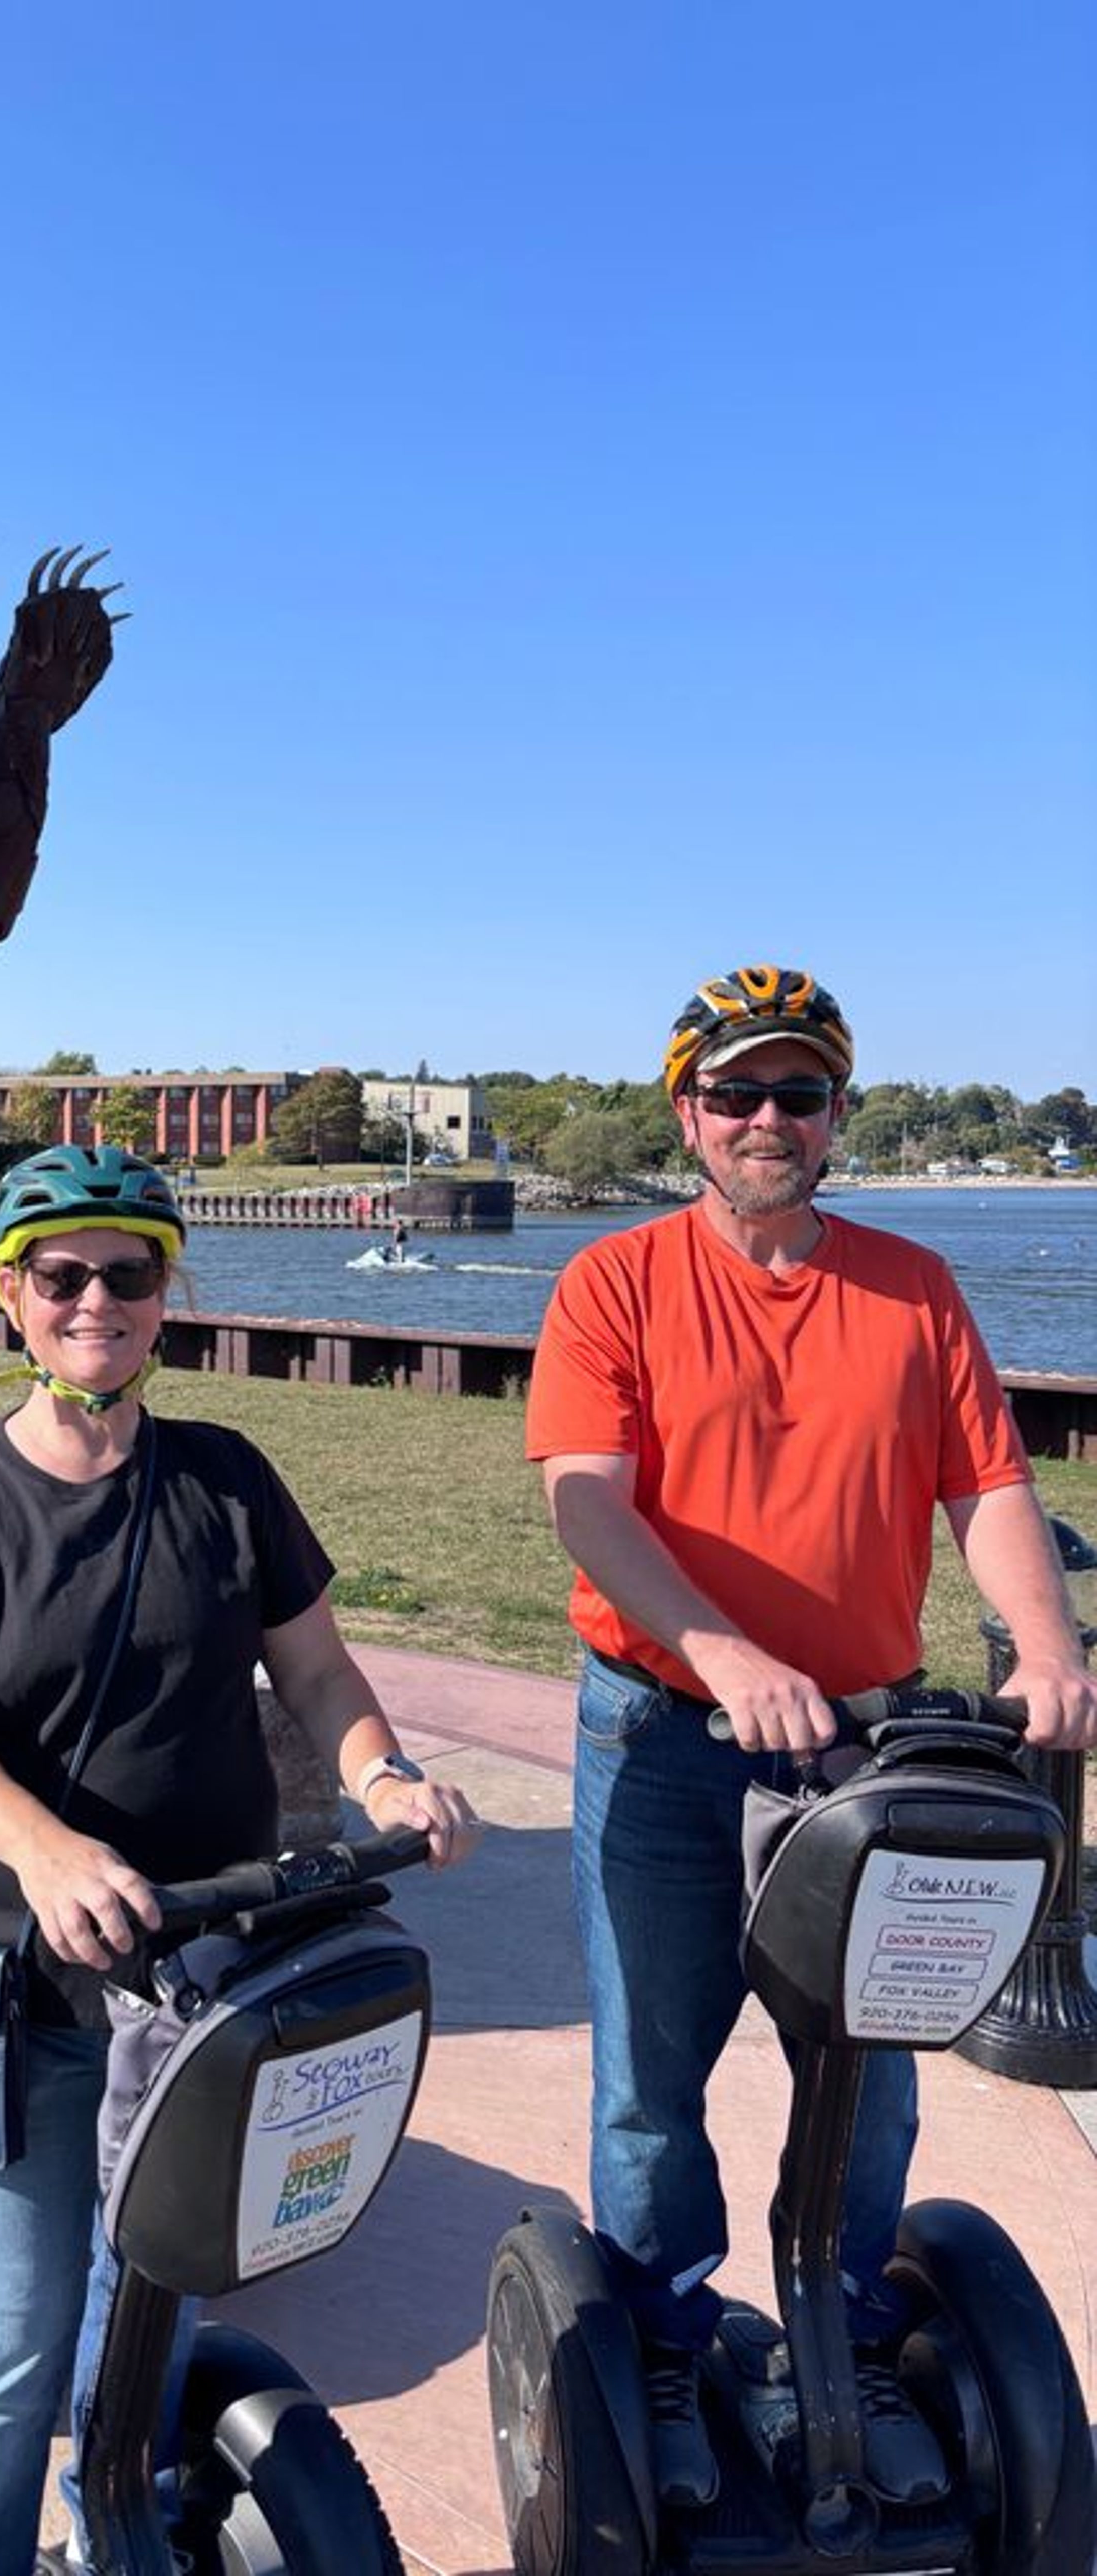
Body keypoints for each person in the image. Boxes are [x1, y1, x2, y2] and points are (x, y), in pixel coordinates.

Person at [0, 1143, 482, 2576]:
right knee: (9, 2338)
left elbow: (318, 1673)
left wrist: (383, 1776)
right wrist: (47, 1852)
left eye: (129, 1273)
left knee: (151, 2311)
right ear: (11, 1296)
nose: (97, 1301)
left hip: (202, 1982)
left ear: (166, 1295)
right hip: (18, 1980)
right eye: (61, 1275)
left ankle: (113, 2543)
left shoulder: (224, 1476)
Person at [526, 963, 1097, 2512]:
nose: (766, 1119)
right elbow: (588, 1500)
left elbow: (988, 1486)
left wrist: (1047, 1646)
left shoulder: (914, 1288)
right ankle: (661, 2340)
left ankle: (837, 2342)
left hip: (864, 1752)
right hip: (663, 1738)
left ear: (839, 1115)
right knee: (652, 2075)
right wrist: (722, 1651)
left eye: (799, 1092)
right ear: (688, 1116)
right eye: (737, 1093)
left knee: (871, 2079)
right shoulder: (615, 1284)